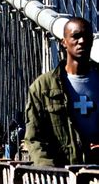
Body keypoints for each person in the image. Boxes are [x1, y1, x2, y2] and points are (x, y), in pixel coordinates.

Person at [25, 17, 99, 166]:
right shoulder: (42, 87)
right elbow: (34, 138)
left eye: (87, 36)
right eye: (76, 36)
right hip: (62, 177)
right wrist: (50, 173)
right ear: (63, 42)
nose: (82, 41)